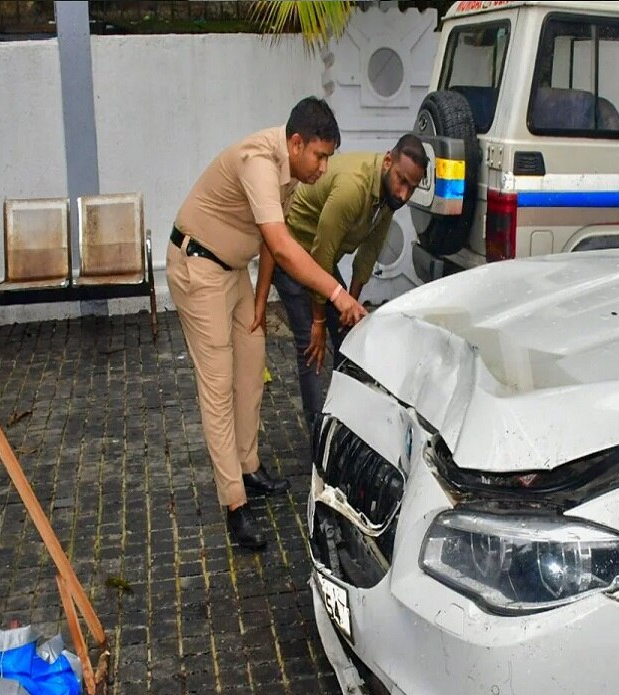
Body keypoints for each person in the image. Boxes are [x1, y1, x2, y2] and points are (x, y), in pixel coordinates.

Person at [167, 97, 367, 552]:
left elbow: (268, 243)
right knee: (217, 386)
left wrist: (259, 301)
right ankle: (234, 502)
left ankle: (248, 465)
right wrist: (338, 295)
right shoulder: (259, 162)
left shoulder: (290, 172)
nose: (323, 167)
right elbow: (283, 243)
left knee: (252, 368)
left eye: (329, 157)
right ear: (295, 143)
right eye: (320, 156)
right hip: (197, 266)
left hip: (234, 271)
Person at [259, 134, 427, 440]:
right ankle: (317, 435)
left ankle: (343, 417)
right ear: (388, 161)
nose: (404, 194)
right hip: (293, 248)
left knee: (348, 335)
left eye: (411, 188)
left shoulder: (389, 194)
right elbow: (322, 251)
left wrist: (350, 304)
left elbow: (369, 253)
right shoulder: (353, 188)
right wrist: (320, 321)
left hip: (321, 256)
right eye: (402, 181)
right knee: (310, 343)